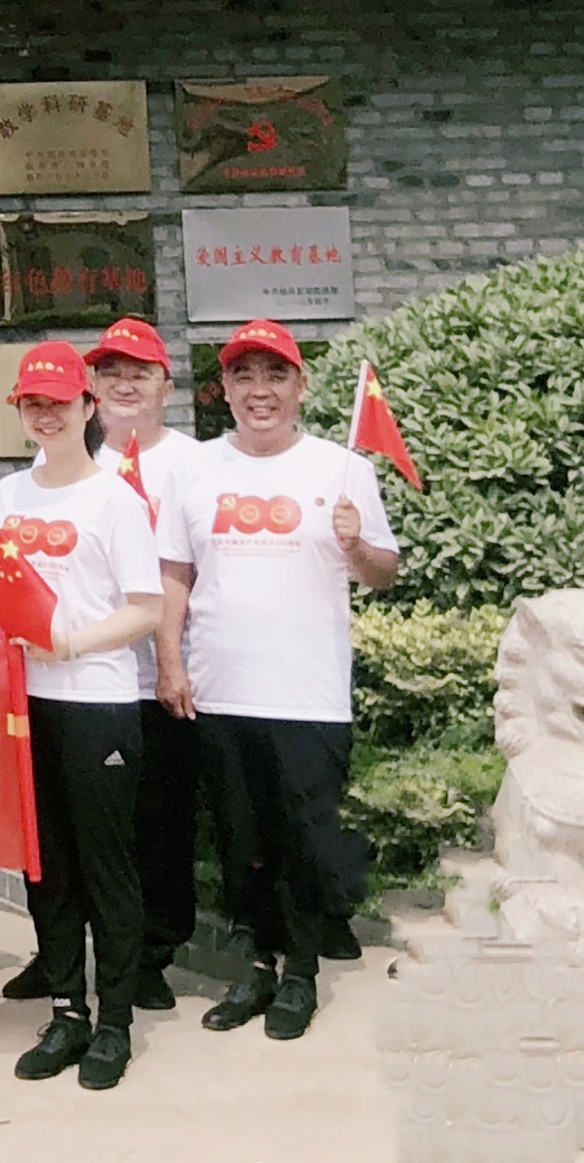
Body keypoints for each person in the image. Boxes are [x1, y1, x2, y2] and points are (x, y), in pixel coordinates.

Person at [157, 318, 397, 1045]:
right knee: (242, 843)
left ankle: (301, 975)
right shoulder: (194, 469)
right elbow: (175, 574)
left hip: (306, 692)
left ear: (300, 386)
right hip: (221, 688)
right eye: (243, 376)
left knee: (303, 837)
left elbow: (384, 574)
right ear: (224, 389)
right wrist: (170, 660)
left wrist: (356, 544)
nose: (259, 390)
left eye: (275, 375)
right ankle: (258, 967)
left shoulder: (342, 469)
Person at [0, 341, 169, 1094]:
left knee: (106, 868)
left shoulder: (114, 500)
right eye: (33, 404)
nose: (46, 415)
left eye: (59, 402)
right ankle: (67, 1011)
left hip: (97, 702)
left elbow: (147, 608)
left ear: (87, 406)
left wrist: (68, 644)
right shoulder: (7, 496)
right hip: (25, 705)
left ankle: (115, 1021)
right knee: (48, 866)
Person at [85, 314, 202, 1006]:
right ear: (92, 388)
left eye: (140, 373)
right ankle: (64, 952)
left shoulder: (196, 464)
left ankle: (153, 956)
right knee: (90, 830)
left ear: (166, 386)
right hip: (87, 682)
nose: (125, 385)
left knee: (160, 825)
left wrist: (170, 661)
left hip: (167, 679)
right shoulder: (69, 461)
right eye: (111, 373)